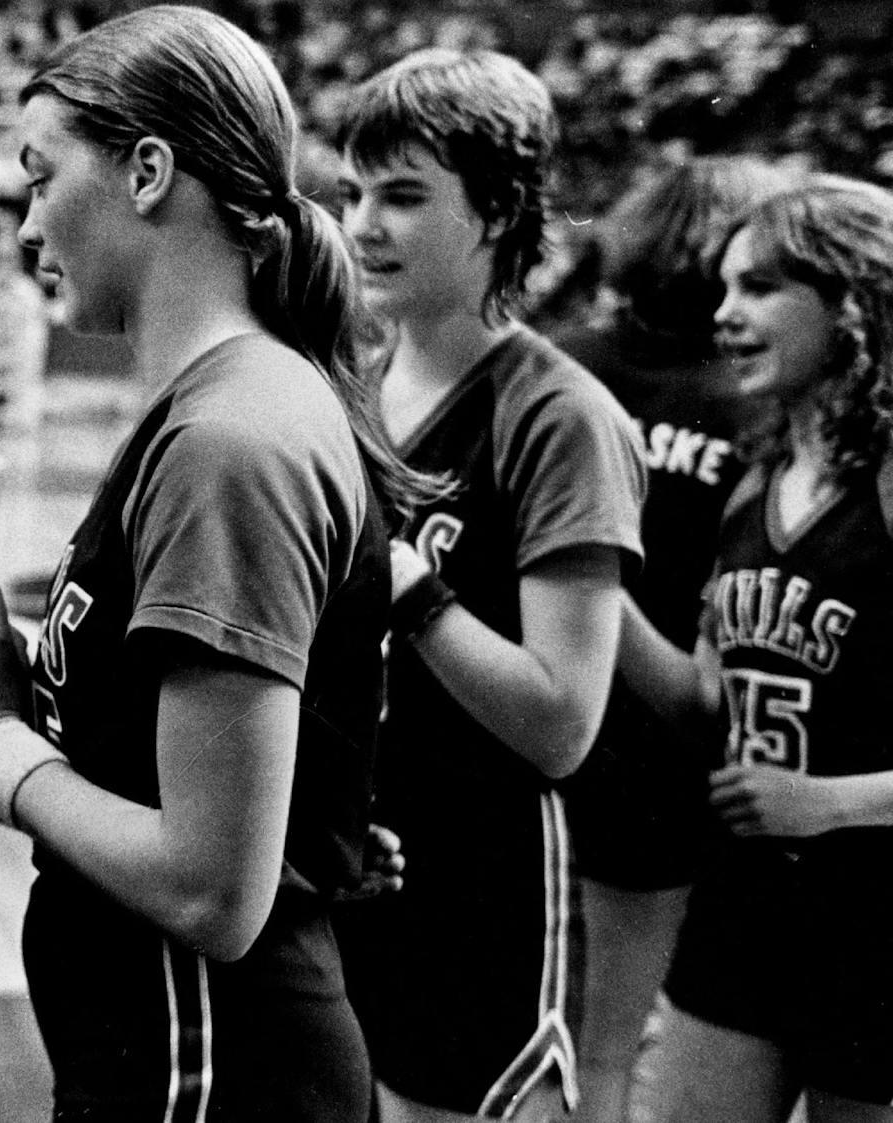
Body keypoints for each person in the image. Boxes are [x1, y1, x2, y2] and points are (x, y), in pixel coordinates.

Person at [0, 6, 435, 1120]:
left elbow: (208, 888)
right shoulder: (216, 409)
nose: (28, 223)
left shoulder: (227, 442)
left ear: (146, 171)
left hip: (207, 1067)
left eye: (40, 178)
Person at [329, 49, 647, 1122]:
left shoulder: (558, 418)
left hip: (488, 887)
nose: (363, 224)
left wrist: (413, 592)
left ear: (501, 210)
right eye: (353, 192)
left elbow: (562, 722)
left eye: (403, 196)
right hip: (359, 869)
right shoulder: (349, 392)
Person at [618, 178, 893, 1123]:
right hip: (744, 902)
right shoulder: (755, 483)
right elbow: (706, 704)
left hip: (873, 917)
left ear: (854, 301)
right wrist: (591, 596)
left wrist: (830, 803)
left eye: (760, 288)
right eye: (723, 286)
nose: (724, 314)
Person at [547, 155, 795, 1123]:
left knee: (541, 1029)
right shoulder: (756, 406)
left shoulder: (558, 360)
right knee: (609, 1047)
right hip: (667, 757)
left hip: (538, 729)